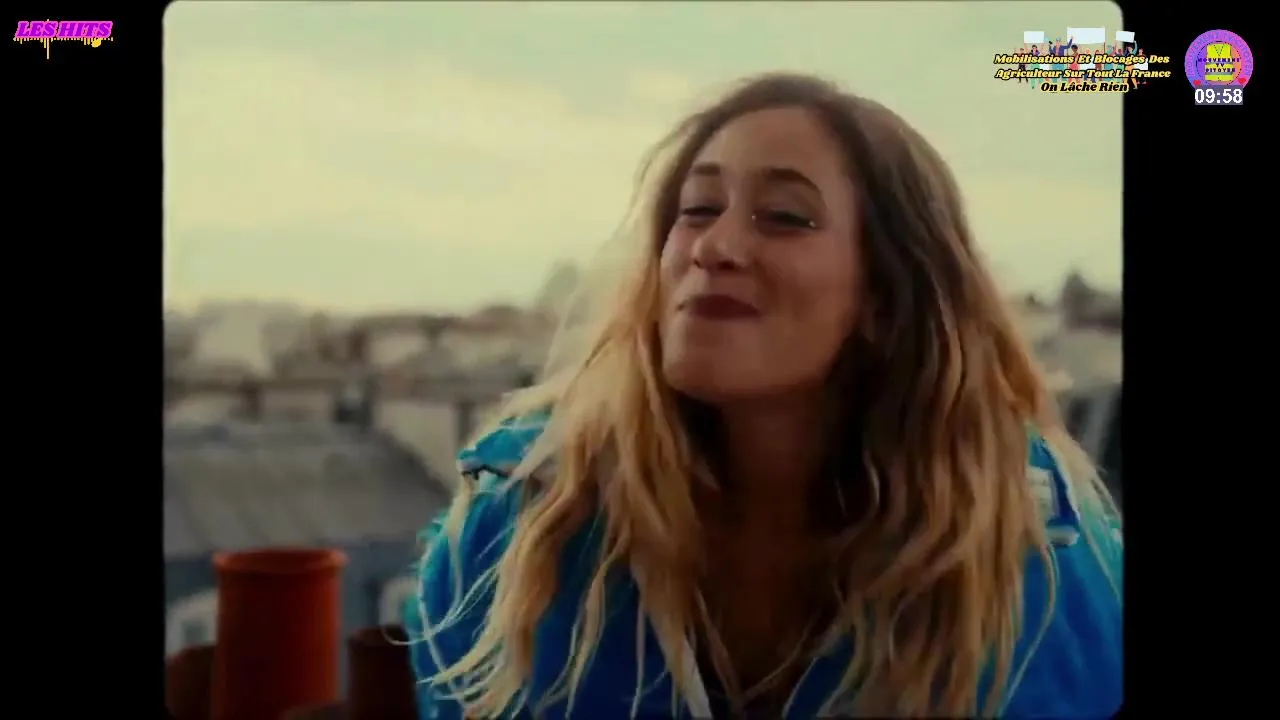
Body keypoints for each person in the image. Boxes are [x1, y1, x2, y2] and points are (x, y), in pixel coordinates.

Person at [407, 72, 1123, 719]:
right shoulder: (520, 524)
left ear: (885, 298)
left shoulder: (1037, 562)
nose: (713, 247)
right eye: (696, 209)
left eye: (784, 216)